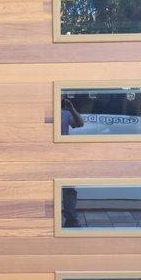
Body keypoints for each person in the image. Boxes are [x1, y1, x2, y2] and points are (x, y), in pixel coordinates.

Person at [60, 97, 84, 228]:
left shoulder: (65, 113)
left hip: (63, 156)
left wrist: (71, 108)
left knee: (68, 188)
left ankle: (71, 220)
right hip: (44, 155)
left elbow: (80, 123)